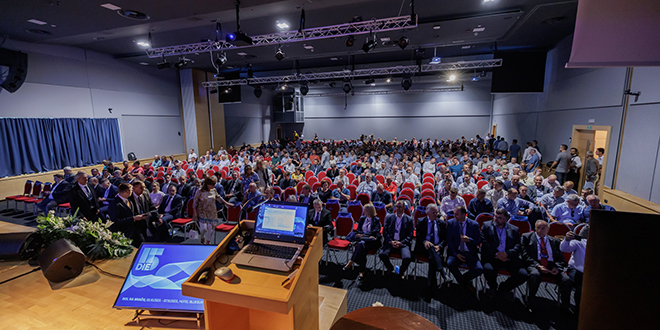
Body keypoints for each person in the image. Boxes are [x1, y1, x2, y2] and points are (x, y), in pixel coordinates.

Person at [521, 220, 573, 312]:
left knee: (566, 280)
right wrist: (537, 265)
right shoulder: (527, 237)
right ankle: (530, 301)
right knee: (535, 275)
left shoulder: (555, 241)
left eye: (543, 228)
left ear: (548, 230)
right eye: (538, 228)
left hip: (551, 265)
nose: (540, 230)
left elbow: (561, 259)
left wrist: (557, 267)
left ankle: (565, 306)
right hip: (535, 263)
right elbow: (525, 256)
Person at [481, 209, 527, 299]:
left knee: (523, 275)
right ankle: (493, 287)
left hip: (508, 258)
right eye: (495, 217)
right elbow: (484, 242)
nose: (496, 219)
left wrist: (507, 254)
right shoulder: (486, 226)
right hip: (493, 257)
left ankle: (504, 287)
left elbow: (518, 245)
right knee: (488, 270)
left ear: (506, 219)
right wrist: (497, 254)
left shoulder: (514, 229)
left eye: (500, 218)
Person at [446, 205, 482, 295]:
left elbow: (478, 241)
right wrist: (456, 253)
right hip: (456, 252)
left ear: (464, 215)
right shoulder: (451, 223)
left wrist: (469, 240)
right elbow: (449, 241)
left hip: (469, 252)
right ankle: (464, 283)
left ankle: (463, 280)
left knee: (479, 269)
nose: (454, 216)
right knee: (450, 264)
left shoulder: (474, 225)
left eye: (456, 214)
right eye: (454, 214)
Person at [343, 203, 382, 286]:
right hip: (363, 240)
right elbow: (359, 229)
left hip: (372, 242)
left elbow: (376, 231)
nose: (363, 211)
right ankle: (362, 271)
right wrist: (361, 234)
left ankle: (351, 262)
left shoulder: (376, 220)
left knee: (361, 245)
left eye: (365, 210)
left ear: (369, 211)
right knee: (362, 246)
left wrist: (364, 235)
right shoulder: (362, 218)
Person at [415, 203, 448, 293]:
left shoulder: (441, 223)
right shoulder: (421, 221)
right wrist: (424, 241)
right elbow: (418, 235)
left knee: (432, 257)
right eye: (434, 213)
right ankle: (442, 273)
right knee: (431, 249)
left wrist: (439, 246)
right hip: (423, 248)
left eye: (437, 213)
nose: (436, 215)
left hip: (437, 248)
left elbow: (445, 238)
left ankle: (430, 286)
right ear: (427, 213)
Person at [379, 200, 414, 279]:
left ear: (404, 208)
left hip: (402, 244)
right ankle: (390, 267)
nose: (398, 208)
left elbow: (410, 235)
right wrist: (391, 241)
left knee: (407, 258)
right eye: (397, 206)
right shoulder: (389, 217)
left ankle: (401, 270)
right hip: (391, 242)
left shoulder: (409, 220)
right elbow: (385, 231)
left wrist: (401, 243)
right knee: (382, 254)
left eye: (400, 207)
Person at [560, 225, 588, 312]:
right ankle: (576, 310)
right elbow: (564, 248)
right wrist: (567, 240)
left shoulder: (598, 244)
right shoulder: (578, 242)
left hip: (590, 273)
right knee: (581, 288)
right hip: (575, 270)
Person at [108, 183, 147, 247]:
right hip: (124, 233)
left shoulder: (128, 200)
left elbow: (130, 213)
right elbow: (115, 221)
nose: (132, 192)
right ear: (126, 191)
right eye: (131, 190)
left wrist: (141, 216)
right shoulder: (115, 204)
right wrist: (133, 218)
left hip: (134, 230)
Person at [193, 177, 225, 244]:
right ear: (208, 184)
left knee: (210, 227)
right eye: (212, 184)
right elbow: (195, 202)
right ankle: (202, 236)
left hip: (211, 211)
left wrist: (226, 203)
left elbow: (218, 197)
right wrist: (194, 212)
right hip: (202, 211)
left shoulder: (213, 190)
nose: (214, 186)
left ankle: (208, 241)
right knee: (204, 229)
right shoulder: (199, 191)